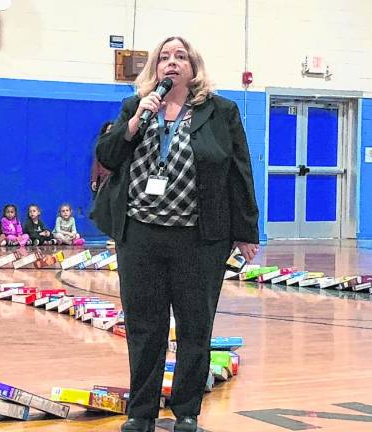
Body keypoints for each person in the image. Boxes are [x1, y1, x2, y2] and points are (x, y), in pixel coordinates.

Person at [92, 36, 259, 432]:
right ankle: (141, 412)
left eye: (180, 57)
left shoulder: (221, 111)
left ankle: (186, 412)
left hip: (199, 239)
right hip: (141, 235)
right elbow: (108, 156)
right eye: (164, 58)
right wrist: (133, 124)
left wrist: (246, 230)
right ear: (154, 68)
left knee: (194, 326)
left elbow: (239, 171)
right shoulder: (136, 106)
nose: (171, 63)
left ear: (194, 67)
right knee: (145, 327)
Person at [90, 121, 114, 197]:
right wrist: (94, 180)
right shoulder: (100, 146)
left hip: (115, 181)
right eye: (109, 130)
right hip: (103, 180)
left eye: (113, 130)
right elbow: (96, 164)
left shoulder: (119, 145)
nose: (111, 132)